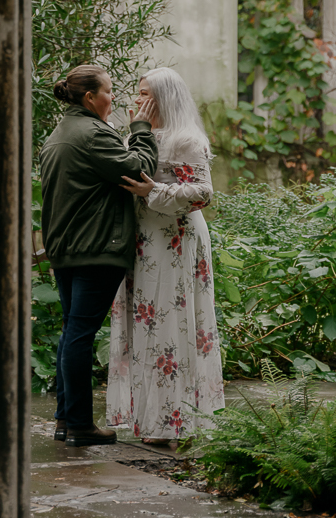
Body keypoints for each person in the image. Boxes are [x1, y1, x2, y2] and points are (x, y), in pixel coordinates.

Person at [39, 63, 159, 447]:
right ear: (90, 97)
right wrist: (141, 131)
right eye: (109, 90)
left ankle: (65, 420)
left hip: (68, 248)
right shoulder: (92, 134)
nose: (115, 98)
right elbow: (139, 172)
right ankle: (79, 424)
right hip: (94, 248)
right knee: (80, 333)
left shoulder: (60, 133)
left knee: (72, 331)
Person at [106, 67, 225, 446]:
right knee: (146, 325)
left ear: (165, 97)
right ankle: (148, 417)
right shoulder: (138, 137)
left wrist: (152, 190)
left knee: (172, 322)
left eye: (146, 95)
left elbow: (203, 194)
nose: (138, 101)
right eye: (138, 93)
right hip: (143, 239)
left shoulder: (187, 140)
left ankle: (174, 422)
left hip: (175, 238)